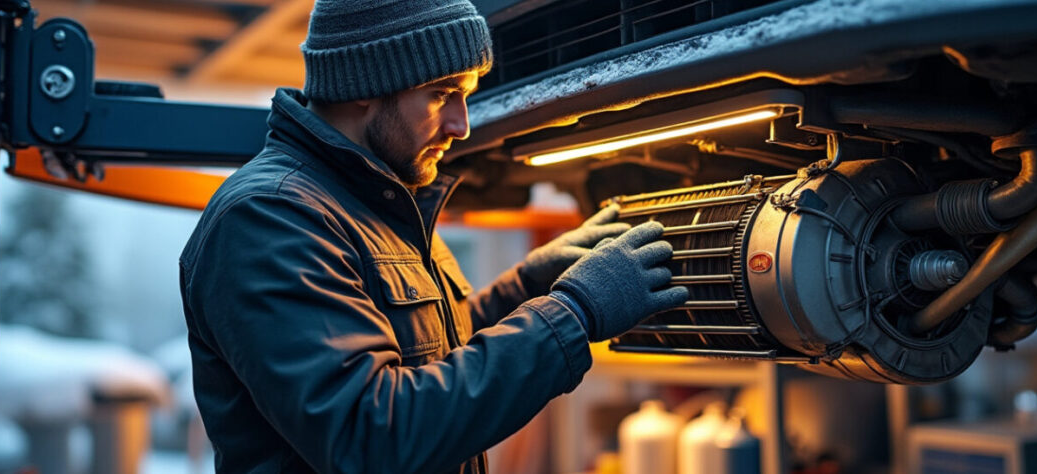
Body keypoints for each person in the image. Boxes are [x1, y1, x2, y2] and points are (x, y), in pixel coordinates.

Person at [178, 1, 688, 472]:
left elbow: (432, 361)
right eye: (443, 94)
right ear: (364, 85)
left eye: (465, 95)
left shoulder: (381, 202)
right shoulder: (270, 218)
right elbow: (370, 437)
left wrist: (530, 287)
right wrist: (574, 313)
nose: (462, 124)